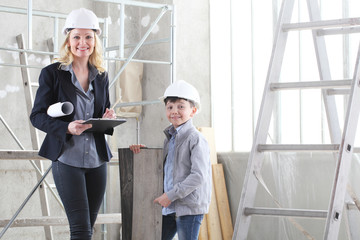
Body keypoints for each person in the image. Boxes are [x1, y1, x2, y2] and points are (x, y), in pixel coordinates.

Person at [30, 8, 116, 240]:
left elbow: (100, 115)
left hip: (97, 160)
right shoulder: (52, 73)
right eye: (77, 36)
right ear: (68, 40)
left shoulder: (101, 75)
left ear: (95, 40)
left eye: (88, 37)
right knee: (79, 230)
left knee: (88, 227)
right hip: (67, 158)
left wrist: (106, 120)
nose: (83, 42)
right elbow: (37, 115)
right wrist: (66, 127)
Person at [130, 80, 212, 240]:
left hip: (188, 207)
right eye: (170, 107)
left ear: (193, 111)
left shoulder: (195, 139)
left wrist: (171, 195)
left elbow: (198, 176)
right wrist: (145, 154)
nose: (175, 111)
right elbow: (167, 167)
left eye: (181, 106)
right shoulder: (170, 138)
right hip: (171, 205)